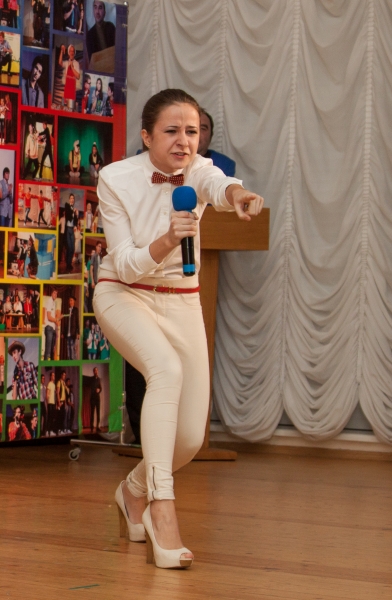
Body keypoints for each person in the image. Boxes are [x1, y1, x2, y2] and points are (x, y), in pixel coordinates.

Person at [92, 88, 263, 569]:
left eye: (191, 131)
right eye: (171, 131)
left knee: (187, 440)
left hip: (182, 299)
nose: (184, 141)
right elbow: (126, 264)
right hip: (124, 293)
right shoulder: (114, 178)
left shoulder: (198, 170)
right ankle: (162, 510)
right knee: (164, 369)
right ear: (146, 136)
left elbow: (220, 185)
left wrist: (239, 195)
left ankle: (133, 491)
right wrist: (170, 238)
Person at [198, 109, 236, 177]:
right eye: (191, 129)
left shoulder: (224, 164)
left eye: (202, 128)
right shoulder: (177, 160)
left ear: (211, 135)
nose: (196, 133)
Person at [59, 44, 80, 110]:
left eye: (73, 51)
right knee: (65, 107)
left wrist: (72, 67)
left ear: (74, 53)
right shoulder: (66, 62)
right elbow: (60, 62)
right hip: (67, 89)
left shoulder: (76, 63)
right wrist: (61, 51)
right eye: (70, 51)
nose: (72, 53)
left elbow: (78, 76)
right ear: (68, 52)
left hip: (72, 90)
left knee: (71, 108)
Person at [44, 288, 62, 360]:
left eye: (56, 294)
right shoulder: (49, 301)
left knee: (52, 351)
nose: (55, 295)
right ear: (51, 293)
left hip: (53, 329)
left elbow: (53, 318)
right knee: (48, 351)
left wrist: (58, 319)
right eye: (54, 293)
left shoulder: (54, 303)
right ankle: (46, 365)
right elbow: (49, 317)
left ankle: (50, 365)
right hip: (49, 328)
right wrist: (56, 320)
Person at [64, 193, 78, 272]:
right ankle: (68, 264)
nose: (72, 200)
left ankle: (69, 263)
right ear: (69, 199)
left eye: (73, 198)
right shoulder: (67, 205)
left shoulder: (74, 209)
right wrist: (74, 211)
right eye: (71, 198)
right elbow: (69, 215)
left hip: (72, 229)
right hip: (67, 229)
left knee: (72, 248)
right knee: (69, 247)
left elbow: (75, 220)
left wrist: (77, 215)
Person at [88, 241, 102, 311]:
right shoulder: (94, 256)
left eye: (101, 247)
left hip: (98, 281)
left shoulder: (100, 257)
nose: (100, 248)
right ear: (96, 247)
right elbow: (91, 269)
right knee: (92, 298)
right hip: (94, 280)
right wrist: (92, 280)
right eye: (99, 246)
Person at [89, 366, 102, 432]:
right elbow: (91, 387)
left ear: (98, 371)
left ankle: (98, 427)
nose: (96, 371)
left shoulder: (99, 379)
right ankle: (91, 428)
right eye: (95, 370)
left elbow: (101, 388)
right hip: (92, 398)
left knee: (98, 413)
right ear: (93, 372)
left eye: (97, 370)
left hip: (97, 399)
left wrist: (99, 390)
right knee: (92, 413)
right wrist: (95, 390)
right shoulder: (91, 379)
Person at [46, 371, 56, 436]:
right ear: (50, 376)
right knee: (49, 417)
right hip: (50, 403)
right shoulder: (49, 384)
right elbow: (47, 394)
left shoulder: (54, 384)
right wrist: (47, 403)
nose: (53, 376)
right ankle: (47, 431)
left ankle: (51, 431)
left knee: (52, 417)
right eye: (52, 375)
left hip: (53, 403)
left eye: (54, 375)